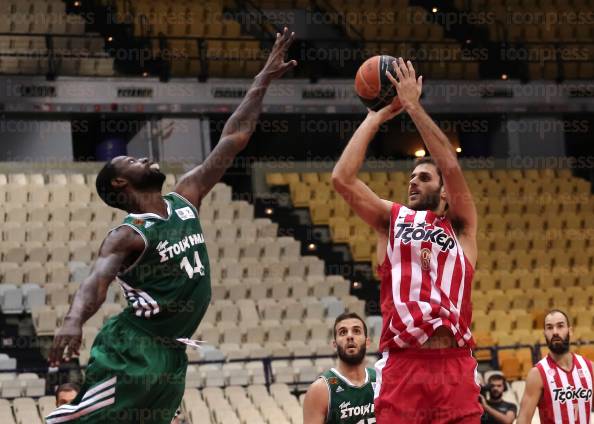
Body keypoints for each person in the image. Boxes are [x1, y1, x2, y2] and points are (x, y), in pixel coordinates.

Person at [44, 27, 297, 424]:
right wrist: (74, 320)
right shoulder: (128, 234)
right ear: (119, 184)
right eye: (130, 160)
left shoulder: (185, 197)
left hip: (171, 353)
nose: (142, 158)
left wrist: (260, 82)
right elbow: (96, 281)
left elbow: (235, 136)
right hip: (134, 349)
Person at [332, 58, 481, 423]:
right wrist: (376, 116)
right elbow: (342, 179)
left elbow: (450, 163)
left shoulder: (461, 228)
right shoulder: (393, 219)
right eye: (411, 177)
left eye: (424, 178)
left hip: (456, 365)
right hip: (404, 365)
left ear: (445, 195)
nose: (413, 182)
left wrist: (413, 105)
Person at [517, 309, 593, 424]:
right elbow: (523, 419)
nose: (555, 332)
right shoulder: (537, 374)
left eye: (560, 326)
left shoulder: (589, 367)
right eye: (549, 327)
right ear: (544, 334)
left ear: (570, 331)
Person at [303, 312, 376, 424]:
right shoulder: (320, 390)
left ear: (367, 342)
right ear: (334, 345)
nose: (350, 336)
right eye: (343, 332)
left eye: (356, 331)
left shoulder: (381, 380)